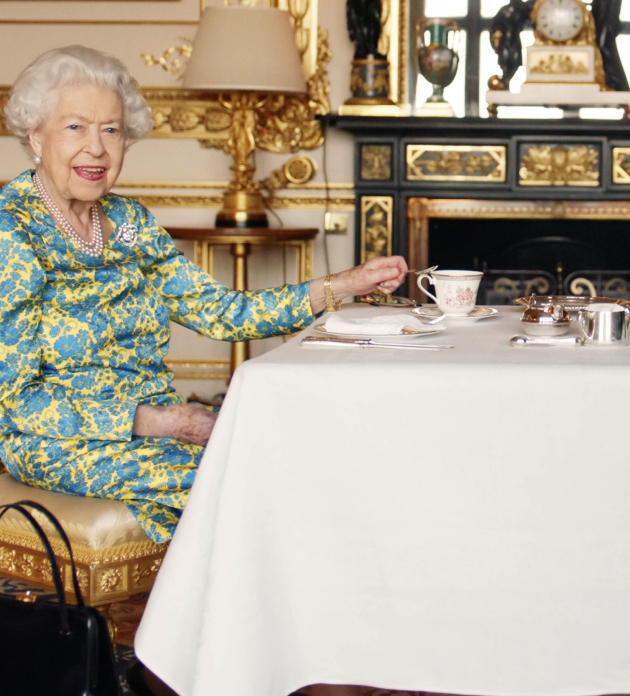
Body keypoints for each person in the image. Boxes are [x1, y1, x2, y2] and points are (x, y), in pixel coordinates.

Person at [0, 46, 408, 546]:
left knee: (283, 457)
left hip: (153, 425)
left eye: (111, 129)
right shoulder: (12, 232)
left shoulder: (129, 222)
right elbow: (18, 402)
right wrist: (161, 423)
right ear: (36, 137)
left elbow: (225, 314)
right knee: (251, 480)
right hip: (58, 440)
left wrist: (346, 283)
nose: (97, 149)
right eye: (75, 128)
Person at [573, 0, 629, 92]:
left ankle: (617, 83)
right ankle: (608, 80)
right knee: (600, 47)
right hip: (599, 20)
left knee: (605, 47)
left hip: (608, 21)